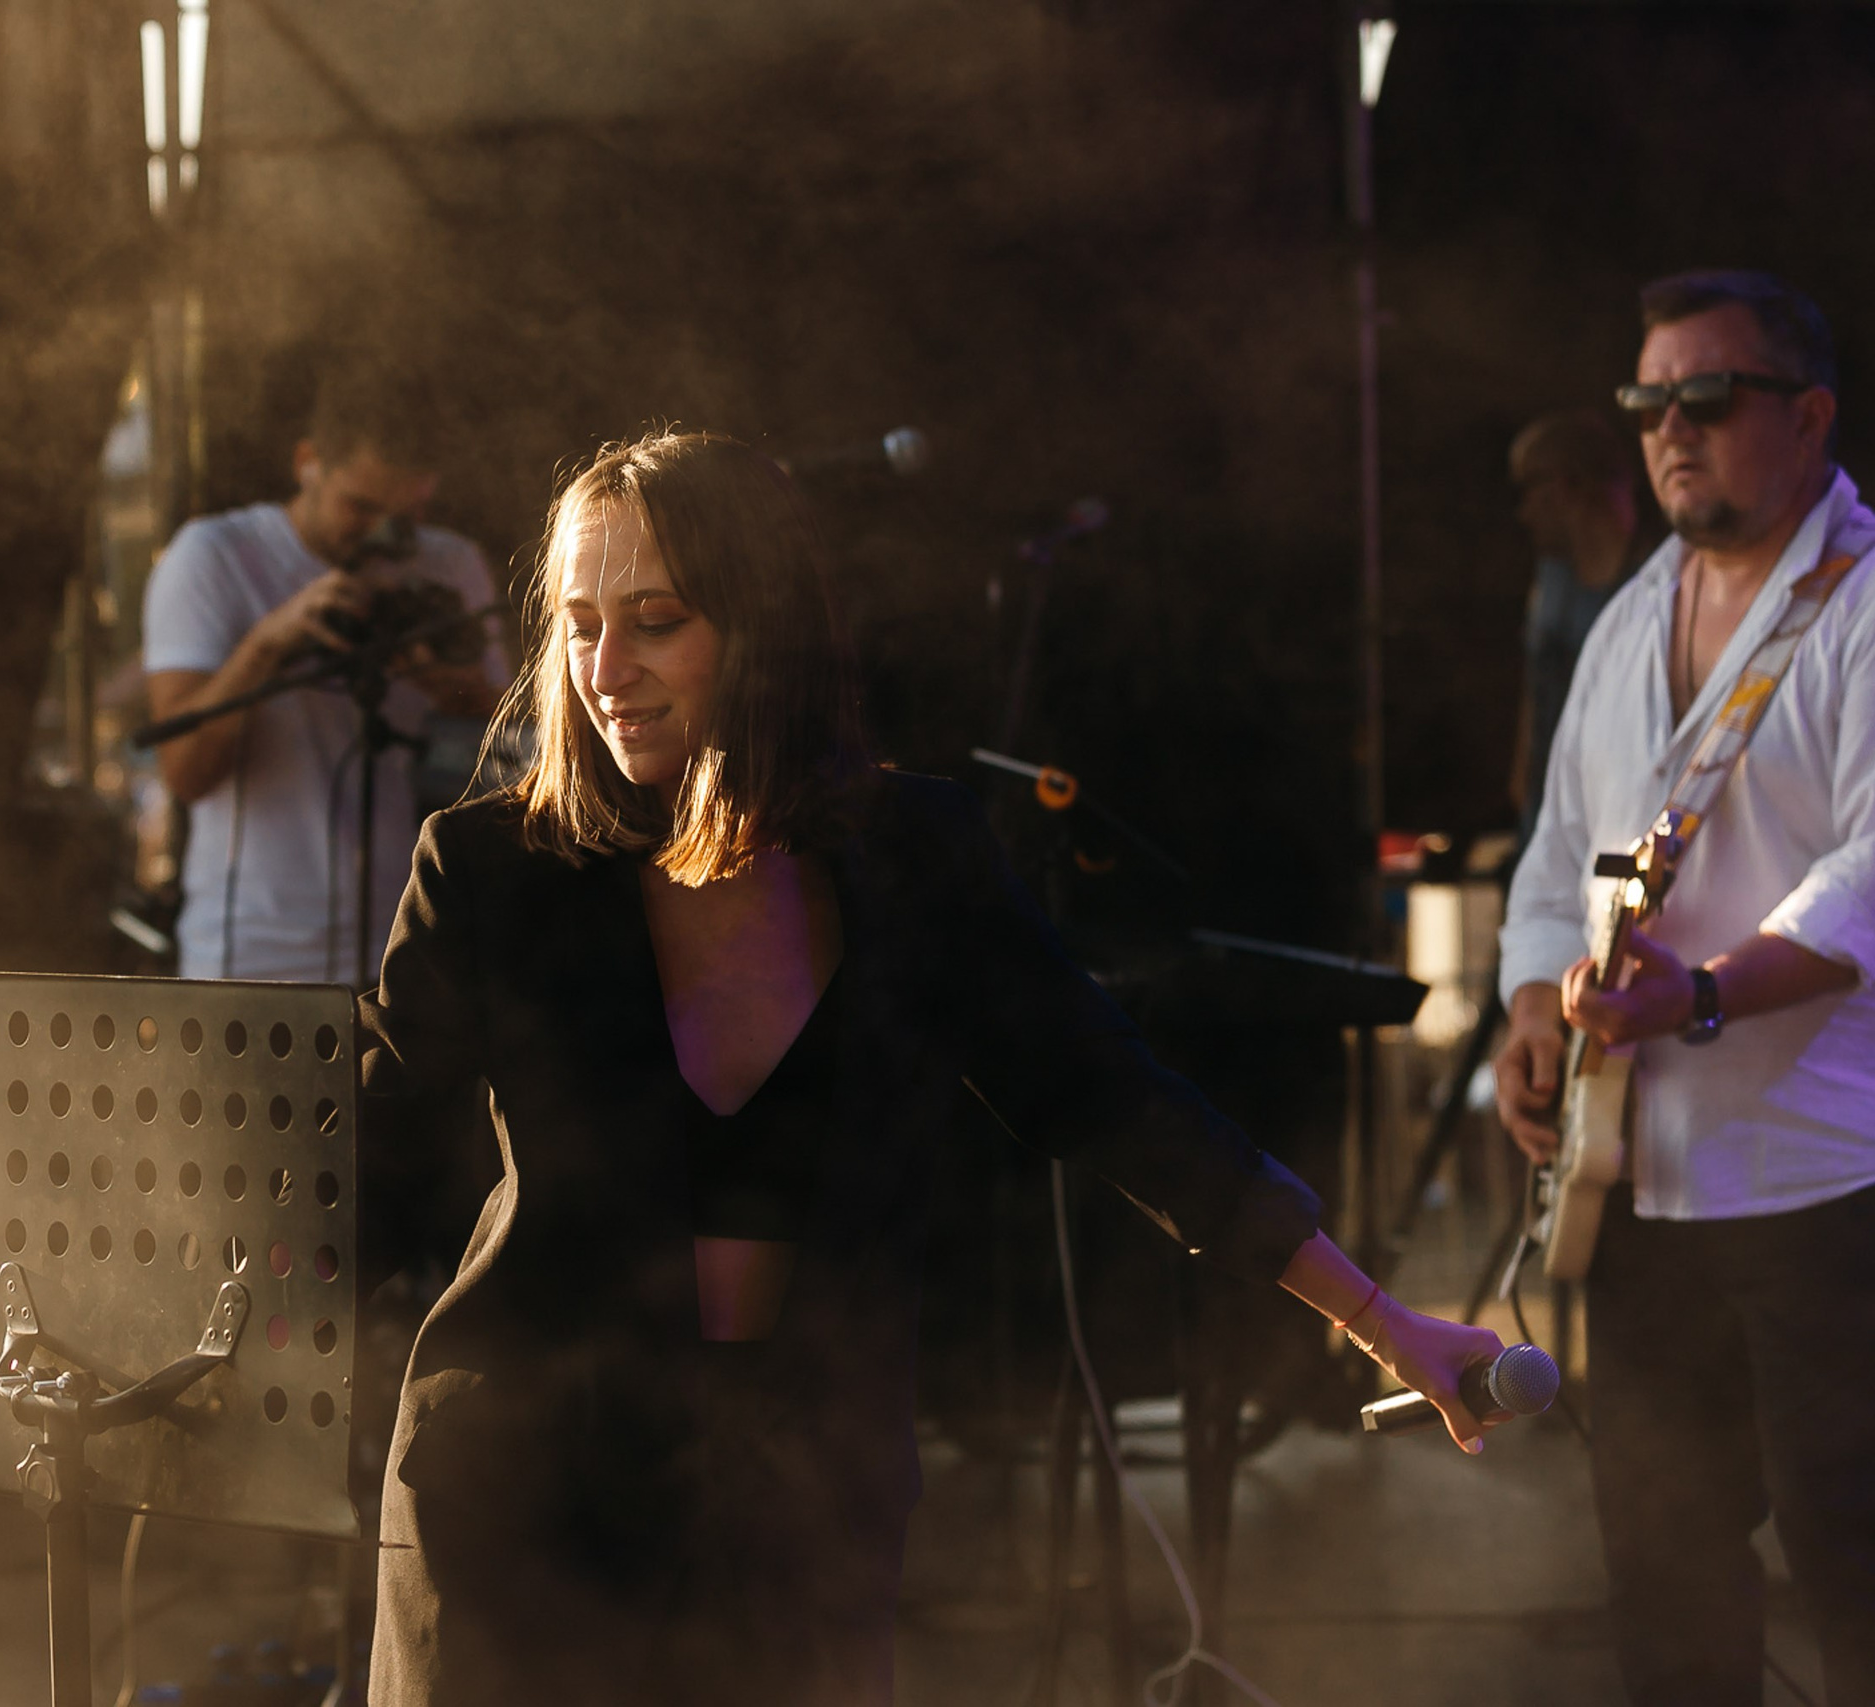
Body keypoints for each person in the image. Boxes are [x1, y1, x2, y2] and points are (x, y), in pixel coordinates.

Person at [356, 430, 1505, 1707]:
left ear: (762, 624)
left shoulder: (918, 856)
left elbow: (1116, 1101)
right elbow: (357, 1176)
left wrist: (1379, 1320)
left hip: (798, 1501)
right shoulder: (490, 873)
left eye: (654, 620)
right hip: (517, 1504)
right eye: (578, 626)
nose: (603, 671)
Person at [1494, 271, 1875, 1706]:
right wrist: (1539, 1016)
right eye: (1647, 400)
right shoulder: (1625, 616)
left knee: (1855, 1570)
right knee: (1666, 1585)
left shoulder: (1864, 601)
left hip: (1827, 1189)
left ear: (1809, 415)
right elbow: (1553, 864)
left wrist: (1700, 995)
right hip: (1641, 1177)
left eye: (1706, 397)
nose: (1670, 428)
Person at [142, 366, 508, 982]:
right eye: (359, 506)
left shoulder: (450, 563)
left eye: (405, 517)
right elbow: (183, 772)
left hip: (412, 944)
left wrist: (448, 684)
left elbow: (514, 759)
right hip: (254, 958)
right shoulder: (215, 556)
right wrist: (267, 645)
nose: (381, 536)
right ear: (307, 462)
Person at [1509, 407, 1639, 847]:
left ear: (1570, 485)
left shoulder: (1651, 586)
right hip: (1547, 817)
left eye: (1532, 489)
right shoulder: (1552, 579)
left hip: (1616, 817)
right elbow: (1537, 692)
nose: (1525, 513)